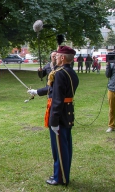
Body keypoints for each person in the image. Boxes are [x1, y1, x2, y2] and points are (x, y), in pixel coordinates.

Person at [28, 46, 79, 186]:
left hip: (60, 116)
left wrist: (54, 121)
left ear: (63, 58)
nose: (55, 57)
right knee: (65, 146)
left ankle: (60, 178)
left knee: (60, 149)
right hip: (66, 113)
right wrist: (36, 91)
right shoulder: (69, 72)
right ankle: (61, 174)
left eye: (57, 56)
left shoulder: (60, 73)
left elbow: (57, 99)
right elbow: (53, 89)